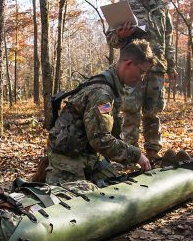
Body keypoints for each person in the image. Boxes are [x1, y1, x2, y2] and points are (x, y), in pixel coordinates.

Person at [45, 40, 154, 184]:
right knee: (76, 202)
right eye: (141, 72)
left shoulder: (112, 84)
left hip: (90, 156)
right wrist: (136, 155)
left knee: (119, 187)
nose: (142, 78)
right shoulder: (102, 94)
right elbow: (100, 139)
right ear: (128, 64)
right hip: (68, 158)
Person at [106, 0, 177, 163]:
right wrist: (122, 35)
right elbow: (111, 40)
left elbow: (168, 38)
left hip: (156, 69)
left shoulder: (162, 7)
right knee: (130, 112)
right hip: (133, 69)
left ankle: (153, 154)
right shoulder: (125, 5)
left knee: (153, 114)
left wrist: (171, 65)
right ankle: (130, 155)